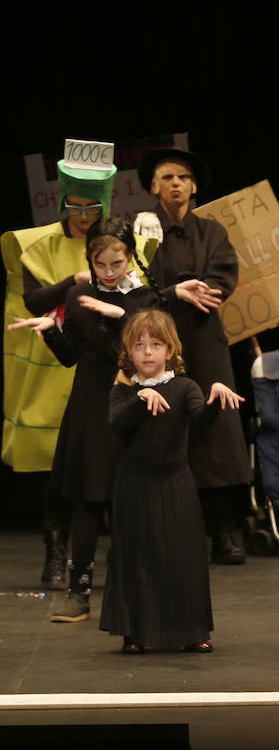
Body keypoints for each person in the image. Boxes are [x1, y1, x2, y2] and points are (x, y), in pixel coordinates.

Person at [7, 220, 160, 623]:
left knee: (136, 501)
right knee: (89, 498)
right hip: (91, 406)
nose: (109, 272)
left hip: (133, 404)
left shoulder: (146, 297)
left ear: (130, 258)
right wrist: (51, 332)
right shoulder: (78, 295)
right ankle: (79, 592)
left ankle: (139, 591)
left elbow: (148, 354)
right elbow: (71, 355)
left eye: (117, 262)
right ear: (90, 260)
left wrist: (121, 315)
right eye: (101, 263)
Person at [2, 147, 140, 589]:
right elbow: (34, 300)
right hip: (50, 366)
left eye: (92, 207)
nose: (83, 215)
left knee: (111, 466)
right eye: (75, 207)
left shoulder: (114, 245)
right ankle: (56, 553)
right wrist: (72, 284)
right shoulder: (36, 244)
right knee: (58, 467)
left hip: (101, 367)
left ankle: (120, 560)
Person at [134, 148, 253, 565]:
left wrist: (190, 289)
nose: (175, 183)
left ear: (194, 185)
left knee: (218, 434)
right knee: (165, 428)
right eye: (166, 177)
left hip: (203, 339)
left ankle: (226, 529)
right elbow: (136, 282)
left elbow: (222, 277)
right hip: (156, 341)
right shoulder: (142, 231)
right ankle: (170, 533)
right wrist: (173, 292)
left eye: (182, 177)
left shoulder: (212, 231)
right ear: (152, 186)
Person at [101, 309, 243, 653]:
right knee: (137, 556)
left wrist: (214, 399)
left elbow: (201, 418)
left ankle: (192, 630)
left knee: (184, 556)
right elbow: (118, 425)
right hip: (134, 485)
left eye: (156, 344)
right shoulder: (123, 393)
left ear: (170, 350)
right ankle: (134, 632)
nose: (147, 352)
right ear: (128, 353)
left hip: (174, 482)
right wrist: (140, 399)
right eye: (139, 345)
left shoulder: (184, 387)